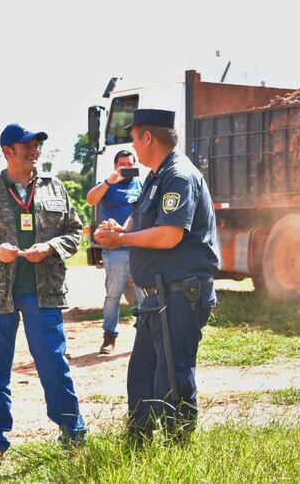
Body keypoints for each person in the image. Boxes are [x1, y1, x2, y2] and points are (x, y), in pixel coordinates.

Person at [0, 123, 87, 470]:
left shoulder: (55, 187)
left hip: (42, 293)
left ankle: (73, 435)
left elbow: (75, 232)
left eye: (36, 144)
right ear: (7, 151)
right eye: (26, 145)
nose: (34, 150)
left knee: (53, 365)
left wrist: (50, 247)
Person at [94, 108, 220, 443]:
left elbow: (169, 234)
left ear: (147, 137)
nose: (133, 145)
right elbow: (140, 226)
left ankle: (178, 448)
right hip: (157, 296)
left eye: (134, 137)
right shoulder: (155, 176)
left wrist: (122, 239)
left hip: (180, 293)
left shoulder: (178, 175)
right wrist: (115, 232)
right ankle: (141, 442)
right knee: (143, 375)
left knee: (172, 375)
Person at [85, 150, 145, 354]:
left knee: (143, 294)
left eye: (130, 164)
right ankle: (109, 337)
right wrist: (109, 182)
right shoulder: (108, 184)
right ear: (114, 165)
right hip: (116, 250)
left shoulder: (142, 185)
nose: (126, 168)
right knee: (113, 295)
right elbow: (91, 200)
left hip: (139, 248)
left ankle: (144, 336)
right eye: (122, 164)